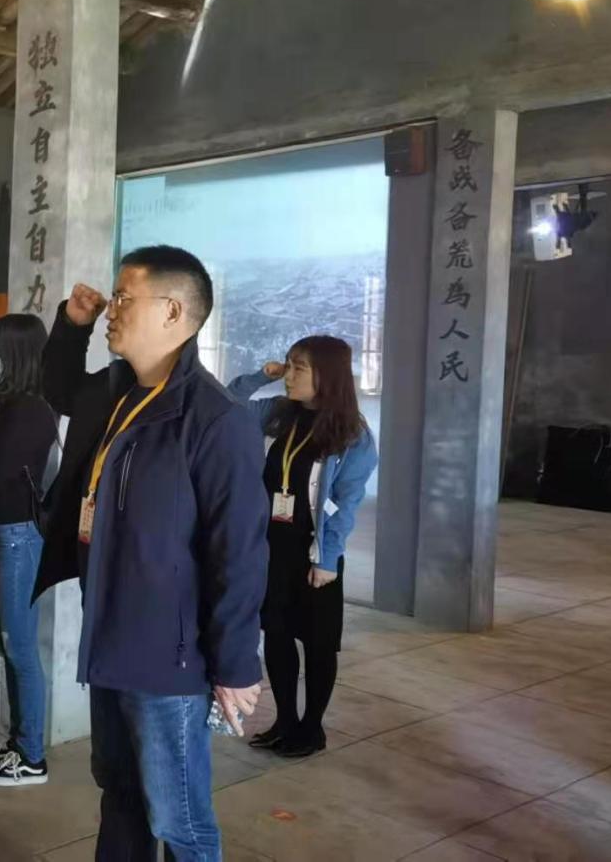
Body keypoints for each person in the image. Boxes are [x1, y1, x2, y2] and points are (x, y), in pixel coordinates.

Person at [35, 246, 268, 861]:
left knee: (179, 818)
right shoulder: (119, 391)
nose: (111, 310)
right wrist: (72, 326)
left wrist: (236, 663)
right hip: (111, 633)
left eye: (123, 298)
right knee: (120, 791)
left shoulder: (214, 419)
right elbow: (56, 388)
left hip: (170, 655)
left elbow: (238, 552)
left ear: (172, 311)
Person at [228, 337, 378, 759]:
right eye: (289, 365)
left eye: (299, 368)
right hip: (272, 546)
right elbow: (228, 403)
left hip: (314, 553)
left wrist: (328, 558)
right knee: (276, 635)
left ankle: (312, 728)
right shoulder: (281, 414)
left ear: (326, 376)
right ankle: (285, 722)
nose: (289, 376)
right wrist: (262, 375)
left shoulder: (352, 436)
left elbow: (345, 504)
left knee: (316, 642)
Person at [0, 313, 61, 787]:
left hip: (20, 534)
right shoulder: (15, 402)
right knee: (12, 642)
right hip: (9, 530)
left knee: (21, 646)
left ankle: (31, 755)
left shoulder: (31, 410)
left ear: (16, 351)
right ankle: (17, 742)